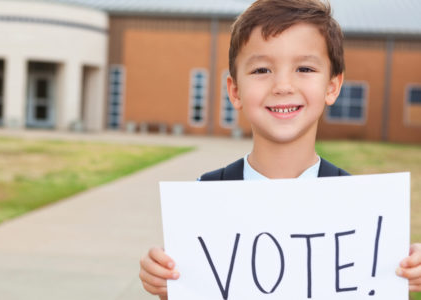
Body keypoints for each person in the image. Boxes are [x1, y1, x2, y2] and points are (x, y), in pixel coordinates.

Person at [139, 0, 421, 298]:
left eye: (304, 68)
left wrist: (404, 271)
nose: (283, 85)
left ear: (332, 87)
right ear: (235, 91)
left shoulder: (359, 206)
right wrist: (167, 282)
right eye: (262, 69)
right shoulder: (206, 195)